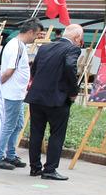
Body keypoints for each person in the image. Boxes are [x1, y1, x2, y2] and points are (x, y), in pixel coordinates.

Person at [25, 23, 83, 181]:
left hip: (37, 97)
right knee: (57, 133)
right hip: (57, 98)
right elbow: (70, 67)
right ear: (76, 38)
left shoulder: (45, 47)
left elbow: (34, 69)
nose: (80, 42)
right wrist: (73, 92)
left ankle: (35, 167)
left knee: (36, 132)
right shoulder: (72, 49)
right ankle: (50, 169)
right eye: (81, 39)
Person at [0, 19, 43, 170]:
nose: (37, 37)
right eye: (37, 34)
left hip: (18, 93)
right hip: (12, 93)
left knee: (17, 124)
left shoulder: (20, 45)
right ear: (30, 32)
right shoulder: (16, 46)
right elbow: (9, 70)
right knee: (9, 125)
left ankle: (10, 154)